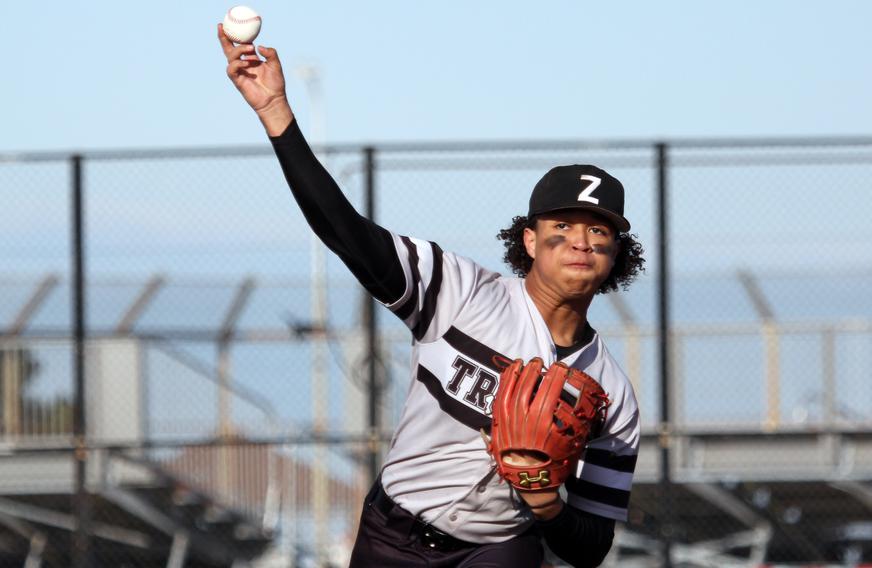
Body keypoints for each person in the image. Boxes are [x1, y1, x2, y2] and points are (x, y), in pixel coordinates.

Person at [219, 25, 644, 568]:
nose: (581, 240)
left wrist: (544, 504)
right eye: (563, 225)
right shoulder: (459, 291)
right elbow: (345, 231)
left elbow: (592, 547)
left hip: (499, 549)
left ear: (616, 256)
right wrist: (277, 115)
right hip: (392, 535)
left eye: (599, 231)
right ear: (530, 240)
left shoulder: (613, 395)